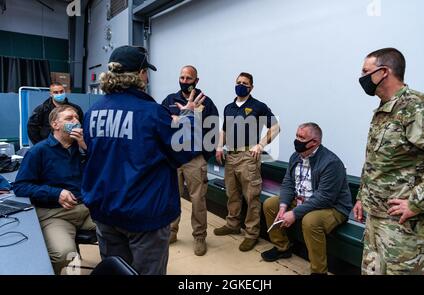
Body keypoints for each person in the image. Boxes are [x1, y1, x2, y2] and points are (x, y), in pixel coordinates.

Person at [80, 46, 204, 275]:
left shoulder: (92, 113)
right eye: (146, 72)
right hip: (144, 215)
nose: (147, 77)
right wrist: (189, 115)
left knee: (116, 271)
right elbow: (186, 149)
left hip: (105, 211)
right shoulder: (151, 113)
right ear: (139, 75)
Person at [354, 47, 424, 275]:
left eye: (365, 71)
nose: (361, 77)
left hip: (403, 227)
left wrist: (416, 203)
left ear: (384, 72)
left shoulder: (419, 107)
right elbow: (375, 161)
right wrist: (361, 197)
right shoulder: (384, 110)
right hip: (376, 219)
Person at [13, 105, 95, 275]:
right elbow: (20, 186)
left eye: (77, 118)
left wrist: (87, 148)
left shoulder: (83, 147)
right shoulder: (38, 152)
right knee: (63, 254)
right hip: (56, 214)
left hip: (87, 209)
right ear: (55, 124)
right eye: (69, 118)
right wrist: (55, 193)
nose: (76, 121)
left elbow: (101, 174)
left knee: (121, 227)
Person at [261, 123, 352, 274]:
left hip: (332, 207)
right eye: (296, 135)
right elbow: (288, 183)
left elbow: (324, 198)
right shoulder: (295, 157)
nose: (297, 140)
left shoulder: (331, 163)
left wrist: (295, 213)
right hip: (302, 200)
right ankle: (282, 247)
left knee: (310, 221)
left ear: (315, 142)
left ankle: (318, 271)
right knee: (271, 204)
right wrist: (283, 206)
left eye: (301, 137)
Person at [214, 72, 280, 252]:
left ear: (251, 87)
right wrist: (219, 146)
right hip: (230, 157)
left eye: (245, 83)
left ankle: (252, 234)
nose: (241, 85)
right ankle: (232, 224)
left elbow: (276, 127)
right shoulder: (229, 107)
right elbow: (224, 131)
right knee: (232, 194)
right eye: (238, 82)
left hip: (248, 158)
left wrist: (260, 144)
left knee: (251, 197)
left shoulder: (258, 106)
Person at [161, 65, 219, 256]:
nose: (185, 81)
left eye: (189, 78)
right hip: (173, 159)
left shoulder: (206, 103)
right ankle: (171, 232)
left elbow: (212, 133)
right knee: (171, 197)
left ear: (196, 80)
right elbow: (161, 125)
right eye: (182, 78)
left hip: (195, 159)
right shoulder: (170, 100)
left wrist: (203, 155)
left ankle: (200, 236)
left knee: (198, 200)